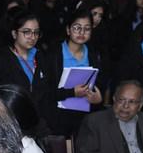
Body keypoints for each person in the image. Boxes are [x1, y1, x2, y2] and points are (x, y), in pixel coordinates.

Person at [44, 8, 106, 136]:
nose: (82, 32)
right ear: (68, 30)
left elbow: (99, 84)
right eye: (77, 28)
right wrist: (71, 92)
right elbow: (45, 92)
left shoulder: (94, 54)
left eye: (87, 29)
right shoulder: (53, 54)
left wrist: (98, 98)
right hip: (58, 118)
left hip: (85, 117)